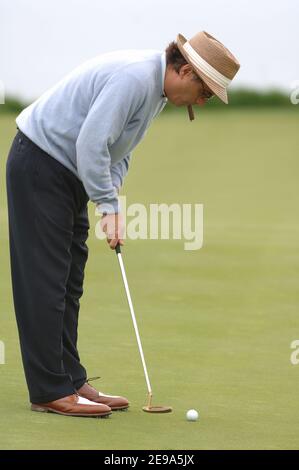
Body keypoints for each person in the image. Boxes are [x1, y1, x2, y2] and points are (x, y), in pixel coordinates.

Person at [6, 31, 240, 418]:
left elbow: (118, 151)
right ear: (184, 71)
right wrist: (107, 204)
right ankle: (49, 390)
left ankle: (69, 379)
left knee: (69, 279)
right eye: (206, 92)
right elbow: (91, 143)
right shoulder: (135, 78)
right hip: (40, 164)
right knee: (45, 280)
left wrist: (110, 201)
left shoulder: (155, 92)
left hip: (66, 174)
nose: (203, 101)